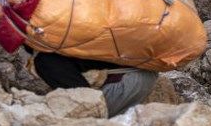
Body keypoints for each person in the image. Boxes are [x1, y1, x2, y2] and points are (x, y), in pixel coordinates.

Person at [25, 48, 158, 117]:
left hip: (127, 82)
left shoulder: (45, 59)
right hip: (146, 75)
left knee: (90, 118)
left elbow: (86, 102)